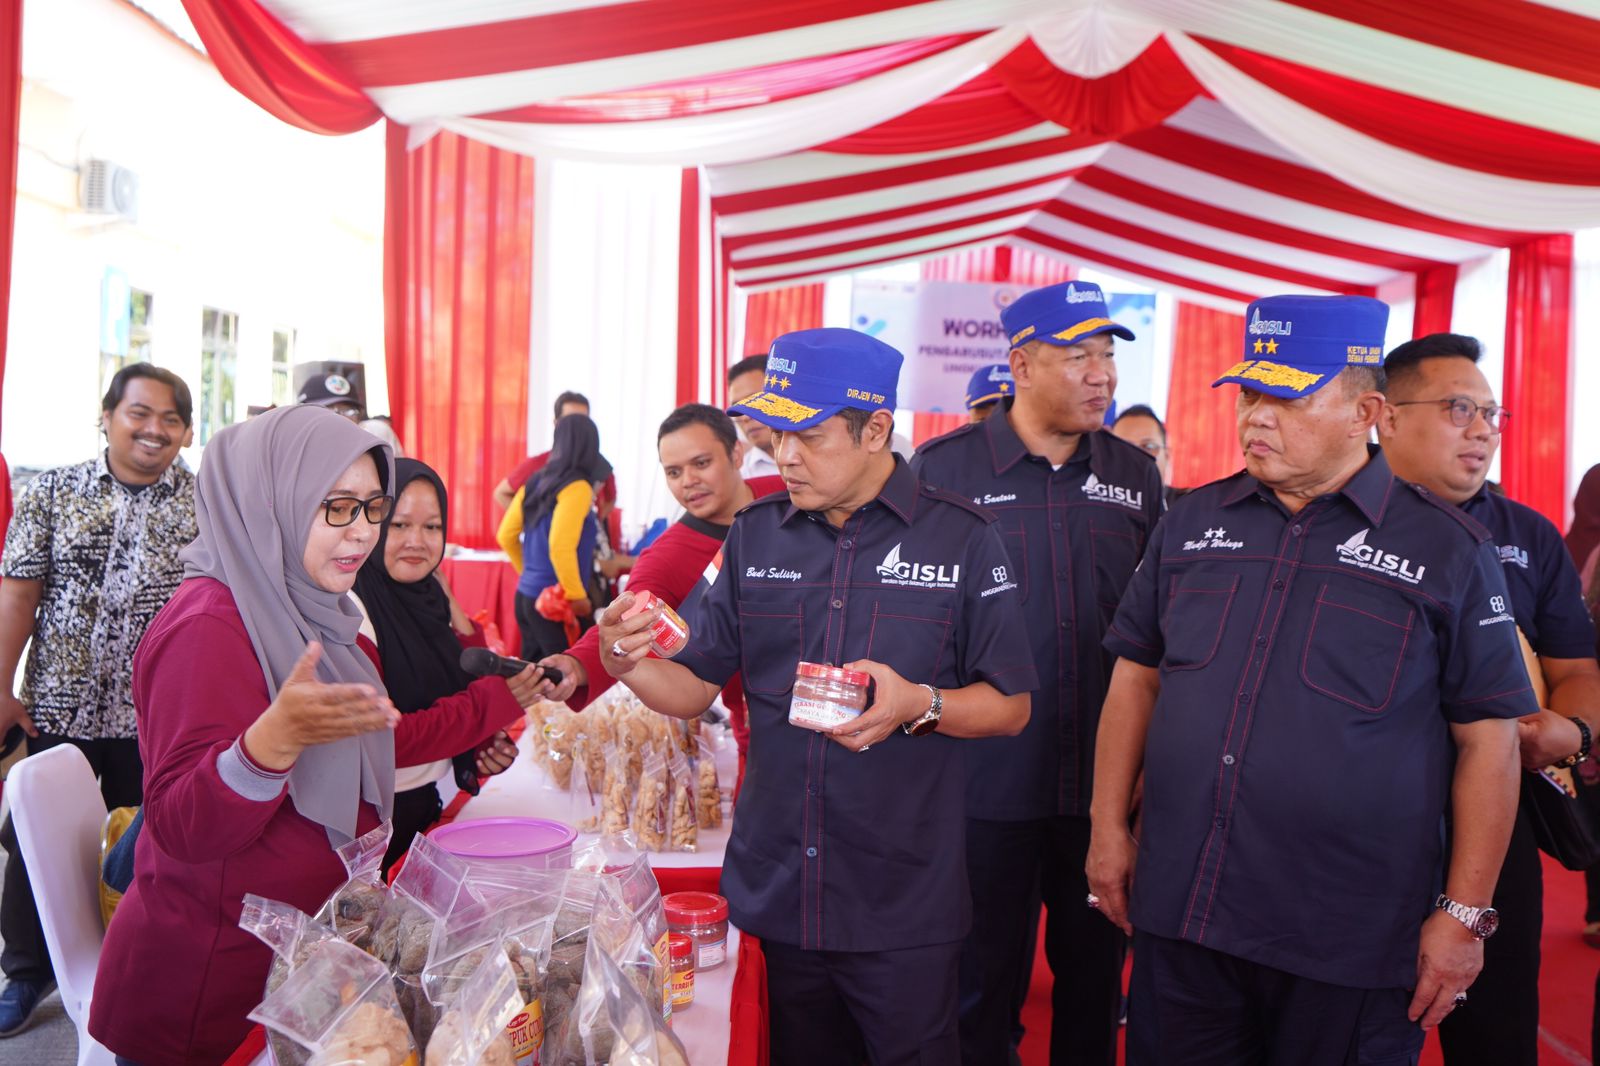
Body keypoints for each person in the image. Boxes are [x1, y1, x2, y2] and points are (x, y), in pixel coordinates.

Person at [1087, 295, 1531, 1066]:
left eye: (1286, 396)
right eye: (1250, 394)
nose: (1256, 416)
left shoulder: (1450, 549)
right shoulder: (1190, 523)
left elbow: (1489, 742)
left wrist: (1464, 916)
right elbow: (1137, 680)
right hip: (1187, 914)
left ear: (1367, 410)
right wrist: (1105, 830)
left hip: (1349, 939)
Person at [595, 328, 1037, 1066]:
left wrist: (917, 704)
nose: (784, 456)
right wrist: (623, 659)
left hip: (902, 895)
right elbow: (693, 684)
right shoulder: (756, 536)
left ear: (876, 430)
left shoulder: (962, 539)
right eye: (774, 435)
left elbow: (1010, 706)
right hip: (784, 886)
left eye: (809, 435)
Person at [88, 405, 540, 1065]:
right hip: (212, 993)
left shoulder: (315, 613)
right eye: (336, 507)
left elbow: (366, 745)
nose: (363, 533)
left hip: (299, 975)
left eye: (371, 508)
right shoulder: (209, 624)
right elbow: (182, 826)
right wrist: (270, 743)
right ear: (272, 503)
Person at [914, 281, 1163, 1066]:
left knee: (1096, 985)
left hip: (1103, 788)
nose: (1103, 375)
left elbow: (1155, 632)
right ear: (1020, 364)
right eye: (1078, 355)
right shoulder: (939, 472)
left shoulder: (1135, 475)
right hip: (983, 785)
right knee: (980, 985)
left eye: (1108, 354)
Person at [1376, 332, 1600, 1066]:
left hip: (1497, 824)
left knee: (1497, 1033)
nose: (1482, 430)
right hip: (1362, 832)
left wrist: (1573, 730)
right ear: (1386, 416)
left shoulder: (1526, 535)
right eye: (1458, 408)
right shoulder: (1328, 524)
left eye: (1491, 413)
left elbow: (1578, 668)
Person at [0, 363, 197, 1036]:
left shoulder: (202, 506)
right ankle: (26, 972)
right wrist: (1, 685)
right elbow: (18, 593)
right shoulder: (54, 492)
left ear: (186, 432)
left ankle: (130, 968)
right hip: (63, 705)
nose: (155, 430)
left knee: (145, 849)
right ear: (107, 416)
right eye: (140, 413)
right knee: (39, 842)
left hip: (156, 719)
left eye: (171, 419)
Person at [533, 404, 784, 787]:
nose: (688, 481)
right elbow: (625, 619)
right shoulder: (670, 555)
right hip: (763, 736)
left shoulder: (785, 495)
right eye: (674, 472)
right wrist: (576, 666)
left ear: (736, 454)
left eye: (701, 463)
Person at [350, 458, 523, 872]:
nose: (418, 541)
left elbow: (457, 682)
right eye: (400, 525)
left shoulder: (427, 596)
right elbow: (384, 741)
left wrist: (479, 742)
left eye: (432, 527)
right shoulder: (353, 609)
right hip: (370, 825)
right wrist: (492, 705)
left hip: (424, 803)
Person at [503, 413, 602, 661]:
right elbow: (560, 546)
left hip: (526, 597)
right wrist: (577, 596)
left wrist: (529, 574)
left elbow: (506, 535)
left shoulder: (535, 482)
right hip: (555, 605)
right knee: (563, 685)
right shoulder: (578, 487)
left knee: (536, 686)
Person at [490, 391, 616, 514]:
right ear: (556, 424)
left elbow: (611, 499)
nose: (577, 427)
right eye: (569, 421)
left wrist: (596, 519)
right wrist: (532, 523)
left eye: (583, 421)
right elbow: (501, 493)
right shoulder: (538, 464)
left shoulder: (601, 466)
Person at [727, 355, 781, 478]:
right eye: (737, 408)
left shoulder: (826, 458)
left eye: (754, 401)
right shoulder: (739, 477)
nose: (745, 417)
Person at [1112, 404, 1173, 487]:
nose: (1137, 457)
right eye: (1124, 448)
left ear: (1167, 456)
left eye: (1149, 447)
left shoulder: (1188, 499)